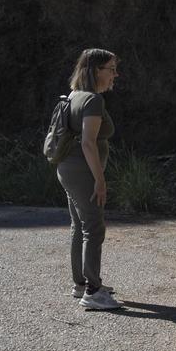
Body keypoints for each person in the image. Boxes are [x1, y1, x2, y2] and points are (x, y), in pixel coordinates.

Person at [57, 48, 123, 310]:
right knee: (94, 228)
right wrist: (99, 179)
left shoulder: (75, 95)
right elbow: (87, 143)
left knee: (79, 226)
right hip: (82, 171)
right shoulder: (93, 100)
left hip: (67, 168)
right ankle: (94, 293)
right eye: (111, 69)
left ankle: (81, 284)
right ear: (96, 70)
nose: (115, 75)